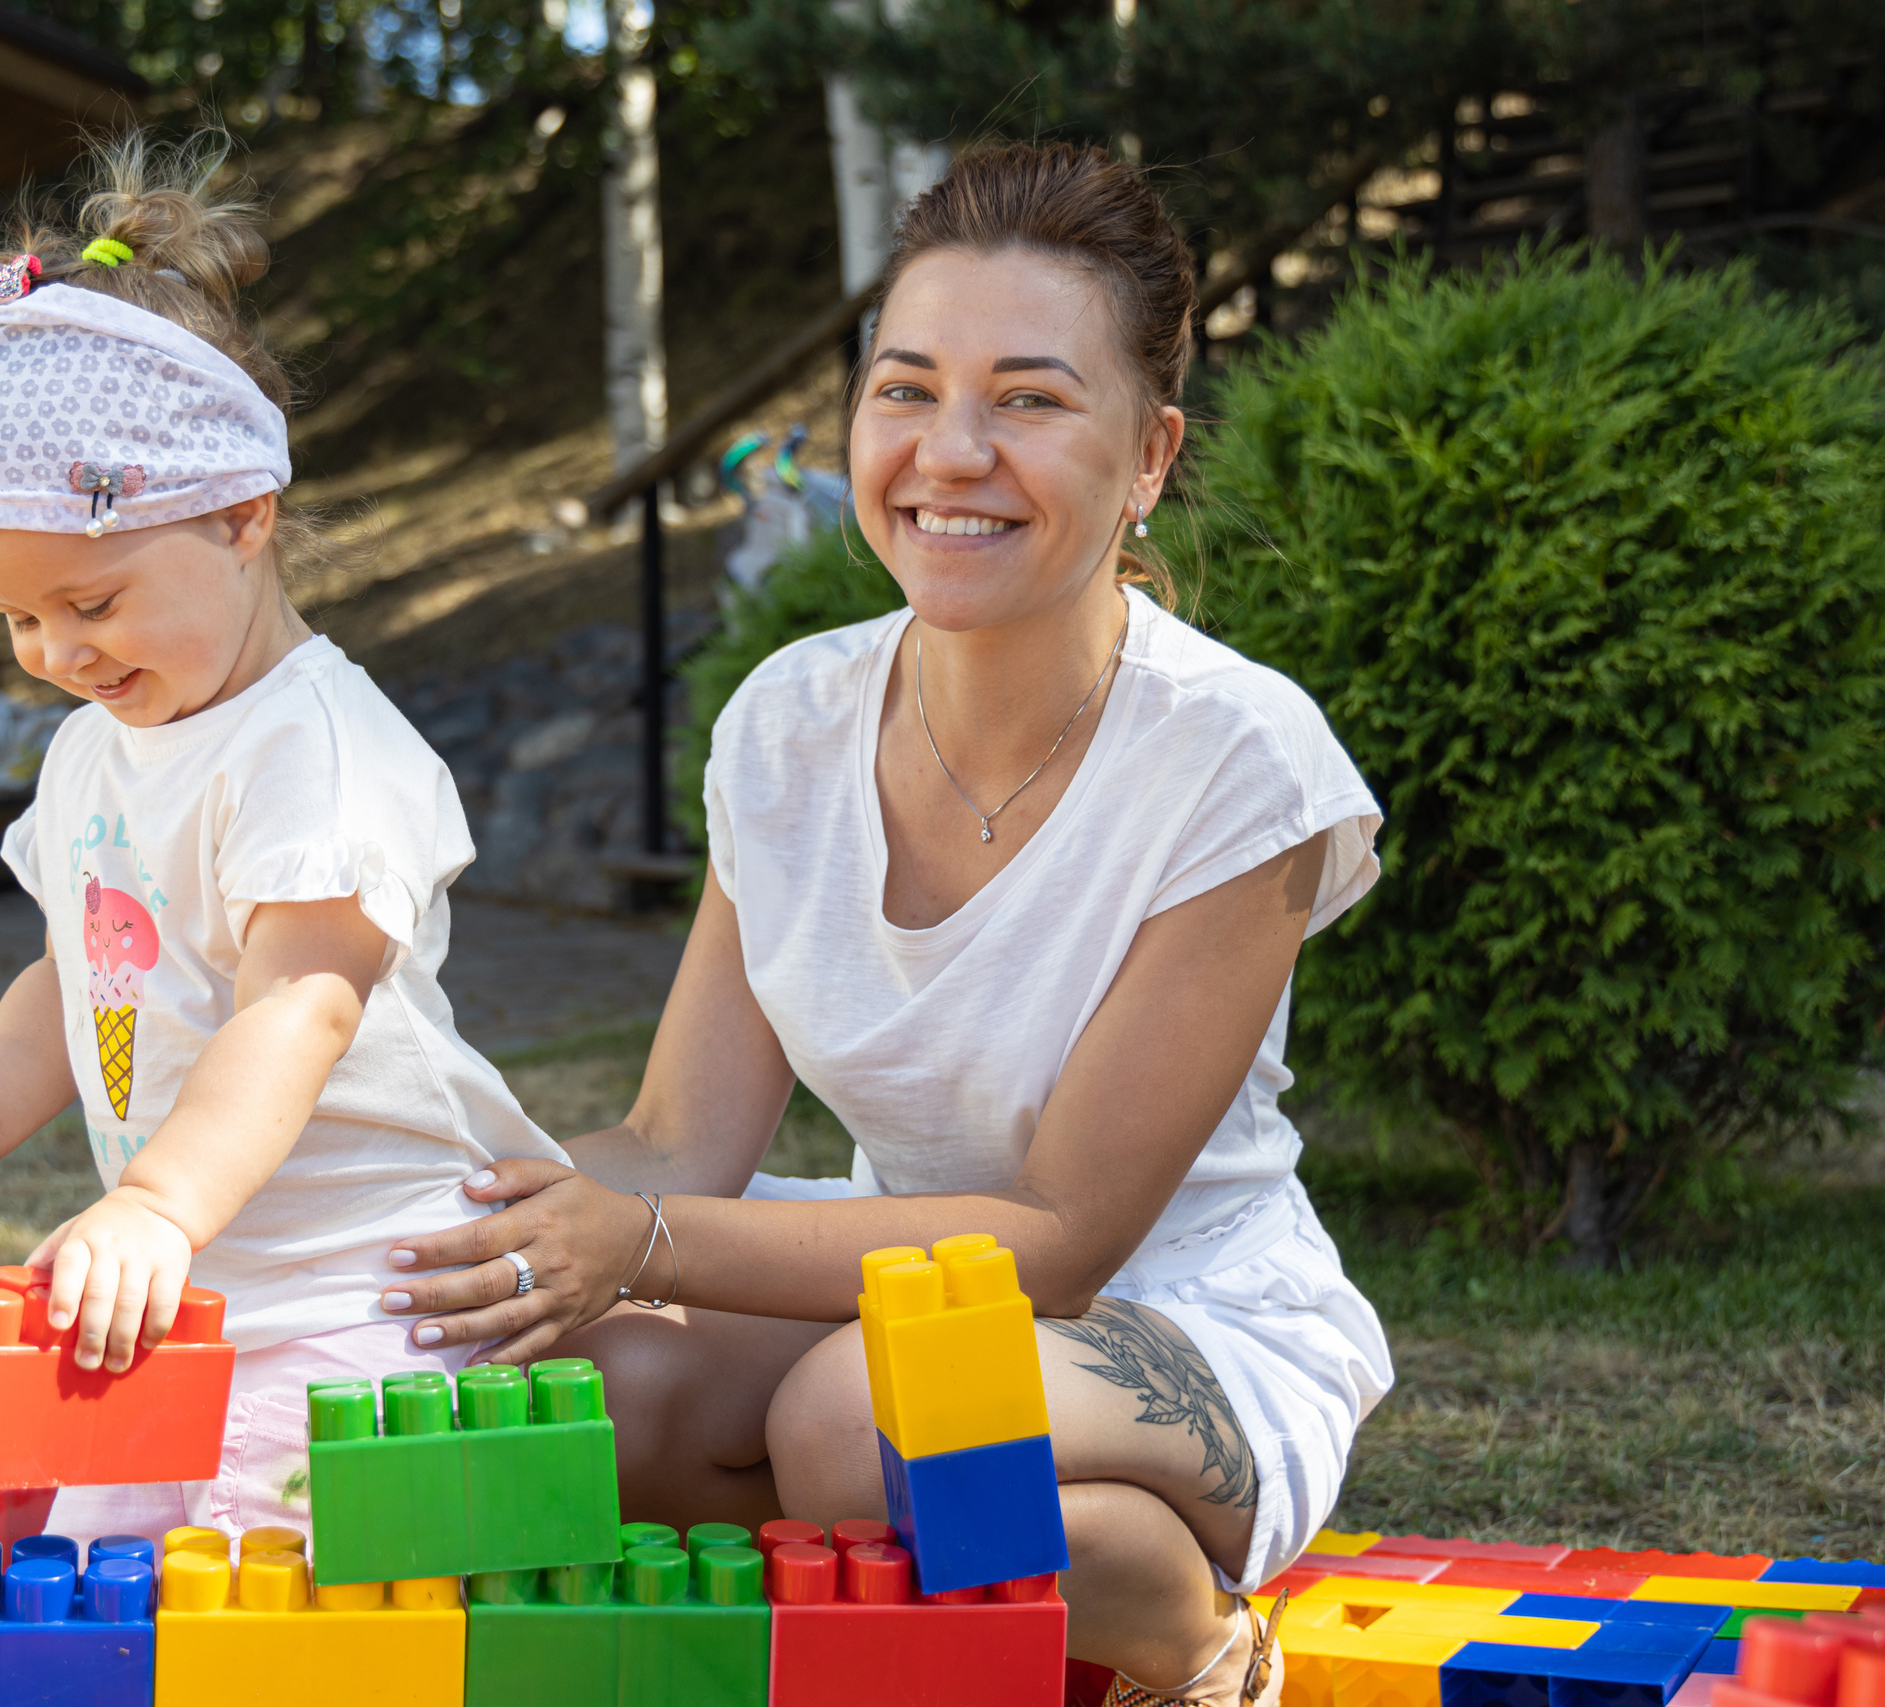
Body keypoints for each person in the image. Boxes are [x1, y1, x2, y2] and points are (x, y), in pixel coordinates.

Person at [376, 142, 1394, 1707]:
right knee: (600, 1391)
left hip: (1176, 1317)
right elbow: (672, 1142)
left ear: (1148, 457)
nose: (950, 451)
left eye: (1031, 400)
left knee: (866, 1426)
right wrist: (470, 1258)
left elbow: (1062, 1237)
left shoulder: (1239, 762)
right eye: (907, 389)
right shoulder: (786, 725)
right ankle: (927, 1611)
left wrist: (644, 1245)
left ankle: (1193, 1644)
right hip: (900, 1295)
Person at [0, 133, 569, 1542]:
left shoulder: (318, 749)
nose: (56, 652)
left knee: (274, 1594)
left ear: (240, 516)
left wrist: (155, 1203)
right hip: (192, 1293)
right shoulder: (103, 745)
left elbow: (302, 1004)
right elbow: (74, 975)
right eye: (20, 620)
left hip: (368, 1301)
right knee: (97, 1568)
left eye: (92, 603)